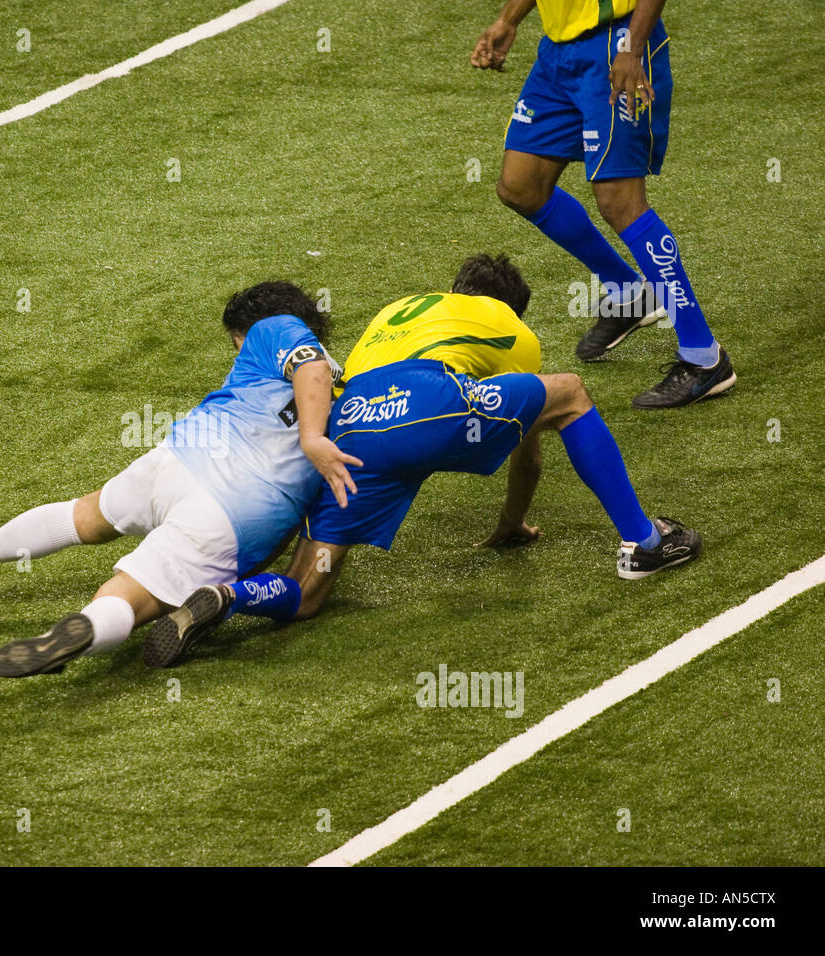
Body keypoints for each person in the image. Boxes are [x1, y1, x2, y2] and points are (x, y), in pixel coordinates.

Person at [145, 254, 700, 668]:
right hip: (424, 400)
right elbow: (527, 451)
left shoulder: (399, 309)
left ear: (453, 287)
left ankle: (230, 595)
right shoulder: (508, 325)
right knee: (572, 393)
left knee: (308, 592)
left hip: (351, 432)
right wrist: (509, 522)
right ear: (508, 305)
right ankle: (645, 543)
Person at [0, 282, 352, 678]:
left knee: (84, 514)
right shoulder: (351, 393)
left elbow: (309, 366)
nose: (238, 356)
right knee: (131, 595)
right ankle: (86, 627)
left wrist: (310, 437)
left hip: (180, 460)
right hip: (239, 512)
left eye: (237, 344)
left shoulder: (277, 327)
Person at [471, 0, 735, 408]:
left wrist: (631, 50)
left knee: (620, 202)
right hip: (558, 53)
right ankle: (631, 292)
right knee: (520, 186)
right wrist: (508, 19)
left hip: (617, 43)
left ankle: (704, 357)